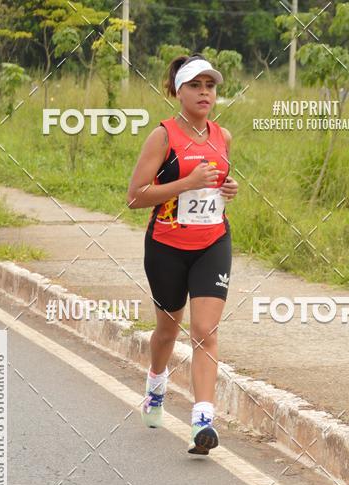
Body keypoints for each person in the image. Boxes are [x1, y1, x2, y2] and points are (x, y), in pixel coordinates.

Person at [127, 53, 238, 455]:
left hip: (212, 242)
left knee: (205, 331)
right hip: (167, 247)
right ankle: (156, 385)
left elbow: (216, 186)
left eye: (210, 86)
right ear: (177, 90)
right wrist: (186, 182)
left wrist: (227, 190)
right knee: (168, 330)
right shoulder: (163, 136)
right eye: (195, 85)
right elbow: (136, 197)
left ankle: (203, 420)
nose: (204, 92)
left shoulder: (222, 136)